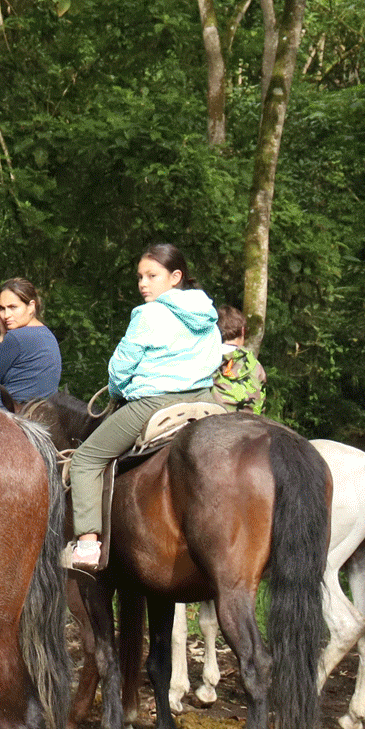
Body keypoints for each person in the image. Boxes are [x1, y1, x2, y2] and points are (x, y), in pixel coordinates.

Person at [65, 244, 225, 571]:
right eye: (140, 277)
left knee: (84, 460)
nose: (143, 284)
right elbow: (214, 357)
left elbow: (121, 368)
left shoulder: (147, 314)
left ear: (175, 277)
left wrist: (117, 390)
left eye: (152, 276)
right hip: (206, 400)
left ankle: (87, 546)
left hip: (155, 403)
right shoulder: (207, 314)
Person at [0, 277, 62, 408]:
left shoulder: (16, 338)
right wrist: (3, 334)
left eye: (13, 307)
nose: (6, 315)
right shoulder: (48, 336)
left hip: (6, 415)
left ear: (31, 307)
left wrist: (2, 336)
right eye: (2, 308)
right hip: (39, 418)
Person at [213, 305, 266, 412]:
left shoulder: (207, 359)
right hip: (251, 423)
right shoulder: (255, 365)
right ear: (243, 331)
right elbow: (261, 405)